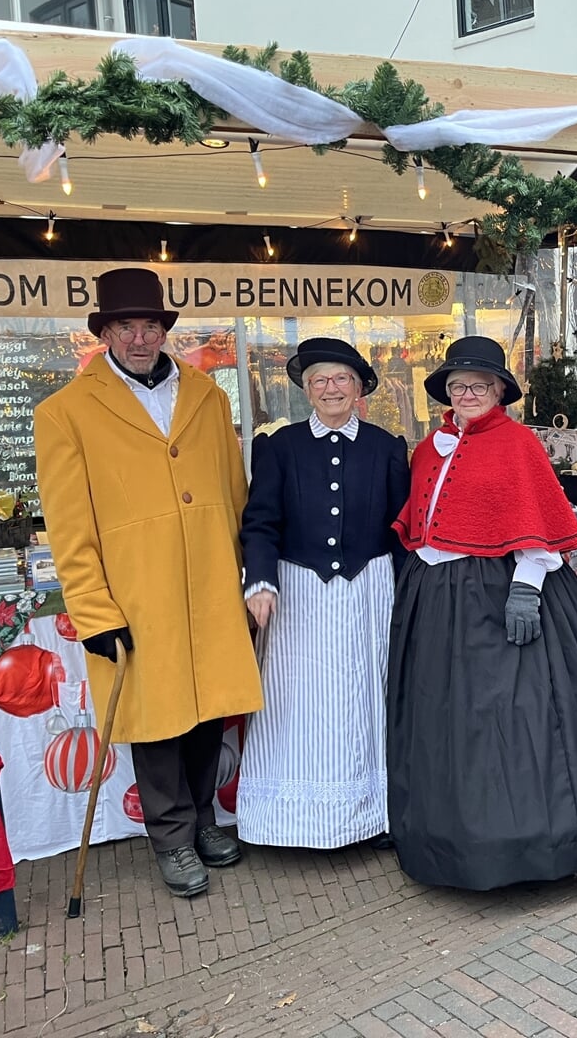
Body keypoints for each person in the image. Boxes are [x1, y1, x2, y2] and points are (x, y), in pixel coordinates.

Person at [385, 335, 577, 890]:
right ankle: (450, 834)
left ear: (499, 391)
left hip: (504, 591)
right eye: (457, 385)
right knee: (449, 718)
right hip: (438, 599)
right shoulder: (429, 447)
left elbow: (536, 521)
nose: (467, 394)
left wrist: (526, 587)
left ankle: (553, 836)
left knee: (518, 714)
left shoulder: (518, 443)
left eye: (479, 385)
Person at [34, 268, 263, 899]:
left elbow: (235, 492)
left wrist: (250, 573)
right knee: (159, 720)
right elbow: (68, 526)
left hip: (212, 582)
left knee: (208, 711)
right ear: (104, 332)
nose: (140, 337)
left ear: (165, 330)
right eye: (126, 326)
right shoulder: (65, 413)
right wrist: (93, 610)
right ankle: (171, 836)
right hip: (138, 592)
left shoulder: (209, 396)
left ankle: (206, 819)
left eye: (151, 325)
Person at [235, 338, 409, 851]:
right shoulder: (279, 446)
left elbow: (402, 528)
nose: (331, 388)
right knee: (297, 706)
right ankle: (289, 823)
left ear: (359, 389)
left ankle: (374, 816)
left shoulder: (386, 447)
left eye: (341, 379)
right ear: (306, 390)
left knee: (364, 702)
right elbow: (261, 522)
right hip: (299, 596)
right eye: (320, 380)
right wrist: (259, 580)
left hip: (369, 594)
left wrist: (408, 591)